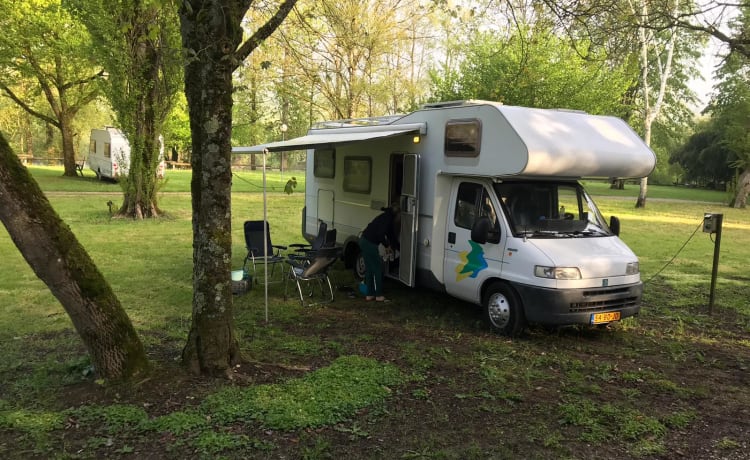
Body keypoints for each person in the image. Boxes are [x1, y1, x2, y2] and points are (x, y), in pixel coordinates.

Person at [358, 202, 400, 301]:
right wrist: (386, 246)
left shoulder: (386, 217)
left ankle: (369, 294)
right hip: (370, 243)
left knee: (369, 269)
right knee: (378, 269)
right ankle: (379, 295)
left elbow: (391, 236)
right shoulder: (388, 219)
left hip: (363, 240)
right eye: (399, 215)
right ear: (396, 213)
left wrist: (397, 247)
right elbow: (380, 234)